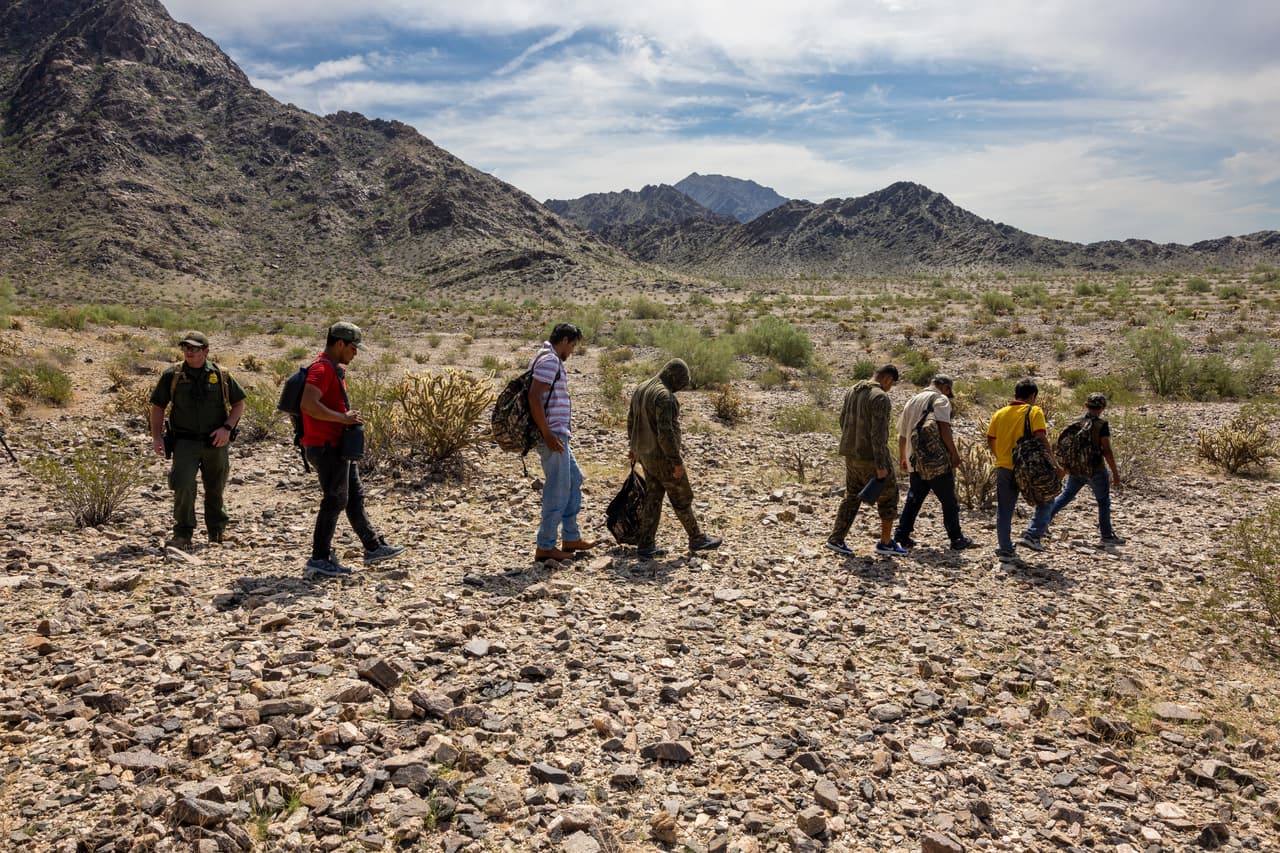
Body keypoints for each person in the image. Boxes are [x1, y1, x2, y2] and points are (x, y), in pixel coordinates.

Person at [299, 322, 403, 579]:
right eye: (353, 347)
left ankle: (372, 546)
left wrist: (344, 419)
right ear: (339, 344)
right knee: (335, 500)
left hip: (338, 445)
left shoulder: (332, 369)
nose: (355, 353)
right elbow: (308, 405)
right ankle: (319, 558)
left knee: (353, 497)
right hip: (326, 446)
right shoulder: (322, 369)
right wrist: (343, 419)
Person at [149, 331, 246, 550]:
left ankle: (217, 532)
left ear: (206, 351)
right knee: (183, 484)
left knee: (215, 486)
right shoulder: (171, 375)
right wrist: (156, 437)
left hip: (216, 441)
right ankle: (183, 533)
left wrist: (227, 428)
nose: (188, 352)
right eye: (185, 348)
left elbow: (238, 403)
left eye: (193, 348)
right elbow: (158, 407)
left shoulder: (221, 375)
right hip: (184, 442)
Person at [627, 358, 723, 559]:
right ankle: (696, 538)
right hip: (662, 457)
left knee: (653, 496)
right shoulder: (664, 397)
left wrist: (633, 447)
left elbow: (631, 420)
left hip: (645, 454)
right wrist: (676, 461)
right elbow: (666, 434)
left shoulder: (641, 388)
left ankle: (645, 545)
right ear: (675, 377)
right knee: (681, 497)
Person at [1022, 392, 1125, 547]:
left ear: (1086, 406)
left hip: (1076, 470)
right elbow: (1107, 451)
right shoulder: (1101, 425)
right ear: (1103, 408)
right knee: (1103, 502)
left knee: (1065, 497)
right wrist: (1115, 475)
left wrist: (1063, 469)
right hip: (1096, 470)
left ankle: (1041, 527)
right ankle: (1107, 535)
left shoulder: (1077, 423)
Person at [529, 323, 595, 563]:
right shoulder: (549, 360)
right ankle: (545, 546)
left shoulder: (548, 358)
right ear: (564, 340)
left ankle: (570, 537)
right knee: (557, 488)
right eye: (573, 345)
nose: (573, 351)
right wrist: (547, 433)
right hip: (553, 436)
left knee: (574, 479)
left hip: (557, 435)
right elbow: (534, 397)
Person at [827, 364, 907, 557]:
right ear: (888, 379)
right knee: (889, 497)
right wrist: (881, 466)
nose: (890, 388)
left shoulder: (852, 391)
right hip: (871, 457)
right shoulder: (879, 397)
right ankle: (886, 543)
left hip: (851, 455)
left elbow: (842, 420)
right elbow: (879, 435)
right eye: (892, 384)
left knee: (852, 496)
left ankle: (836, 538)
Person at [986, 378, 1065, 560]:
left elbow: (990, 438)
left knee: (1005, 509)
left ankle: (1005, 548)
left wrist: (1000, 456)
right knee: (1047, 498)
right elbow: (1041, 437)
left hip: (1004, 467)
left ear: (1015, 394)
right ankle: (1033, 534)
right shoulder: (1033, 411)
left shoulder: (1000, 413)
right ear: (1032, 396)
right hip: (1029, 469)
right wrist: (1055, 464)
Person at [893, 374, 974, 551]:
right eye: (948, 390)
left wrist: (903, 457)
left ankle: (901, 534)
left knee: (914, 498)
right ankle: (956, 538)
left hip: (914, 459)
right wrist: (954, 454)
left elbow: (902, 434)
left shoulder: (912, 400)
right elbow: (944, 428)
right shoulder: (941, 399)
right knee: (949, 500)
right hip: (935, 461)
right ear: (944, 387)